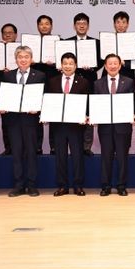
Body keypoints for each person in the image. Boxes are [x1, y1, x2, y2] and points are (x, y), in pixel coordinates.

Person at [0, 46, 45, 197]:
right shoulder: (7, 76)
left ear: (31, 59)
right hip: (13, 121)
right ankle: (18, 185)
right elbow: (3, 96)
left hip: (31, 121)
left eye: (26, 57)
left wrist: (38, 108)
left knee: (31, 153)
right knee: (17, 153)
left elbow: (44, 97)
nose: (23, 60)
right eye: (20, 57)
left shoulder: (40, 76)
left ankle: (31, 185)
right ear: (16, 59)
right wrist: (2, 106)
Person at [46, 52, 90, 197]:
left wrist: (86, 115)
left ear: (75, 66)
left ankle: (78, 186)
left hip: (76, 125)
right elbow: (48, 101)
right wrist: (46, 114)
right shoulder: (52, 81)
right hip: (58, 125)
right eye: (65, 63)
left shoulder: (83, 82)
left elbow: (87, 103)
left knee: (77, 156)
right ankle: (62, 186)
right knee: (60, 156)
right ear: (61, 65)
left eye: (71, 63)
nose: (68, 66)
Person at [93, 53, 135, 196]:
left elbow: (133, 102)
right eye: (109, 63)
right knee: (106, 157)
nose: (112, 66)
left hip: (123, 126)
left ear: (119, 65)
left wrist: (134, 113)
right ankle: (106, 186)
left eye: (115, 63)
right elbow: (95, 105)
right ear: (105, 66)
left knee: (122, 157)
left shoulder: (128, 82)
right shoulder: (98, 83)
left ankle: (121, 186)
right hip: (105, 127)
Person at [66, 12, 101, 157]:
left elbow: (101, 61)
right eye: (79, 23)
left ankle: (86, 146)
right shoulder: (67, 43)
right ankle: (73, 145)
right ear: (74, 26)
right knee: (72, 111)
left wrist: (92, 67)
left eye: (84, 23)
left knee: (88, 112)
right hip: (71, 81)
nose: (81, 26)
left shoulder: (96, 43)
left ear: (88, 26)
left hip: (89, 80)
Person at [31, 14, 58, 154]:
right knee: (36, 116)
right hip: (35, 83)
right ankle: (37, 146)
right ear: (38, 26)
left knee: (53, 115)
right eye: (41, 24)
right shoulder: (31, 44)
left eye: (47, 24)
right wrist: (30, 61)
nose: (44, 26)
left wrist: (56, 63)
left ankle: (54, 146)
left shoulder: (58, 42)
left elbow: (64, 62)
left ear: (51, 26)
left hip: (53, 82)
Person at [0, 22, 18, 156]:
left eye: (10, 33)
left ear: (15, 35)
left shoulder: (21, 49)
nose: (7, 35)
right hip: (4, 88)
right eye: (5, 33)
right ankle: (8, 147)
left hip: (19, 88)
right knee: (6, 121)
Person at [112, 11, 135, 82]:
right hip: (109, 75)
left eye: (123, 22)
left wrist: (125, 63)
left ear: (127, 24)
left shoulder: (134, 40)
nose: (121, 25)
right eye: (118, 22)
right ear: (114, 24)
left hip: (127, 75)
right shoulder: (108, 40)